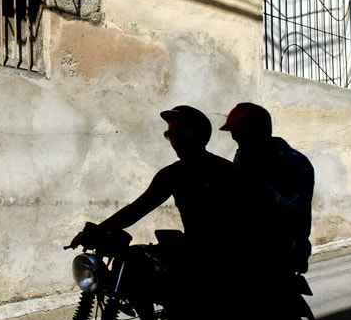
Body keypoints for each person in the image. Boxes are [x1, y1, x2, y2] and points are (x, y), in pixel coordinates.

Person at [76, 105, 241, 251]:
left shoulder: (224, 171)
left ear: (199, 135)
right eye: (170, 135)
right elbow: (135, 210)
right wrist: (96, 231)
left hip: (225, 256)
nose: (174, 141)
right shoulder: (172, 174)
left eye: (181, 134)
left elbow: (238, 219)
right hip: (191, 252)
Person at [220, 102, 313, 274]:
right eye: (235, 138)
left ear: (258, 132)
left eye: (242, 137)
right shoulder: (243, 155)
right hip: (246, 253)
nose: (238, 144)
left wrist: (261, 188)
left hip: (280, 257)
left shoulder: (294, 162)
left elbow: (299, 221)